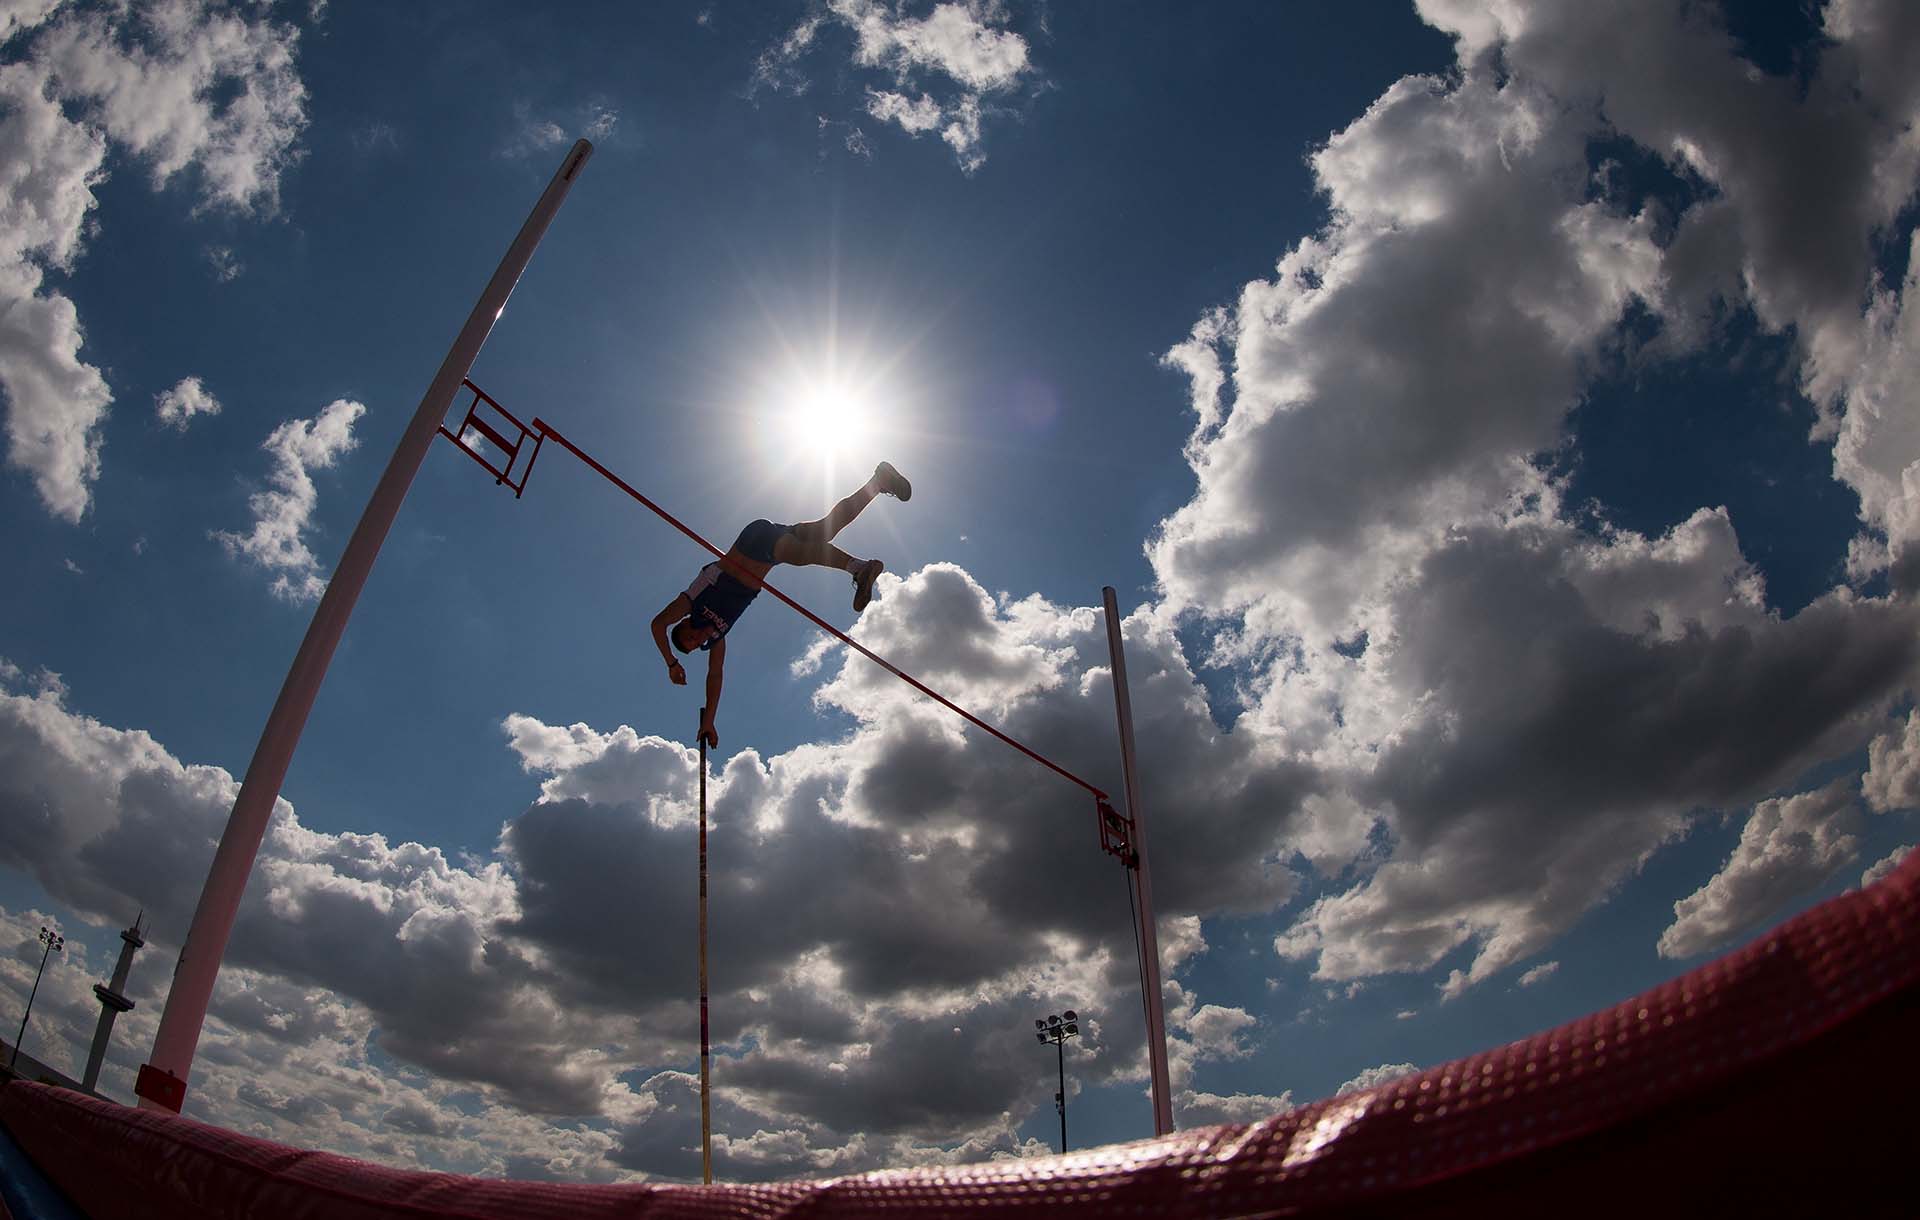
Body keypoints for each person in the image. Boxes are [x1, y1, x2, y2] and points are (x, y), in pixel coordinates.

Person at [652, 461, 912, 748]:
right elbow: (715, 676)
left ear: (685, 623)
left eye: (689, 635)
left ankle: (858, 568)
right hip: (770, 549)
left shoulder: (691, 602)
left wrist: (671, 663)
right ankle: (878, 484)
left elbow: (658, 624)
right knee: (826, 529)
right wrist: (709, 721)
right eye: (694, 644)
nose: (697, 637)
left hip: (754, 541)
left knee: (801, 554)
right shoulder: (717, 636)